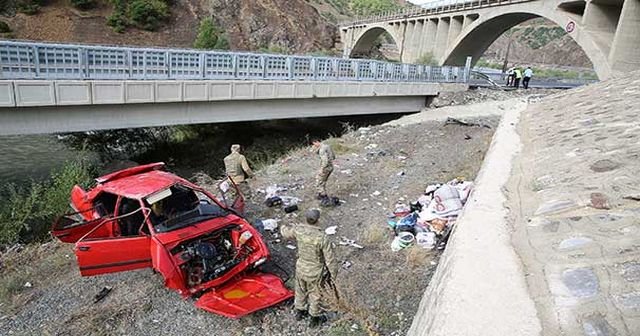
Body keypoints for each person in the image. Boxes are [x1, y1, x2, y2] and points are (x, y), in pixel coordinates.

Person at [281, 209, 338, 328]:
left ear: (306, 219)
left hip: (301, 267)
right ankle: (314, 318)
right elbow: (330, 259)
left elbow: (285, 232)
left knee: (300, 289)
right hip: (316, 271)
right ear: (318, 220)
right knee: (315, 293)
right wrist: (333, 274)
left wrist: (284, 221)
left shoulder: (299, 230)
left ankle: (300, 311)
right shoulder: (322, 237)